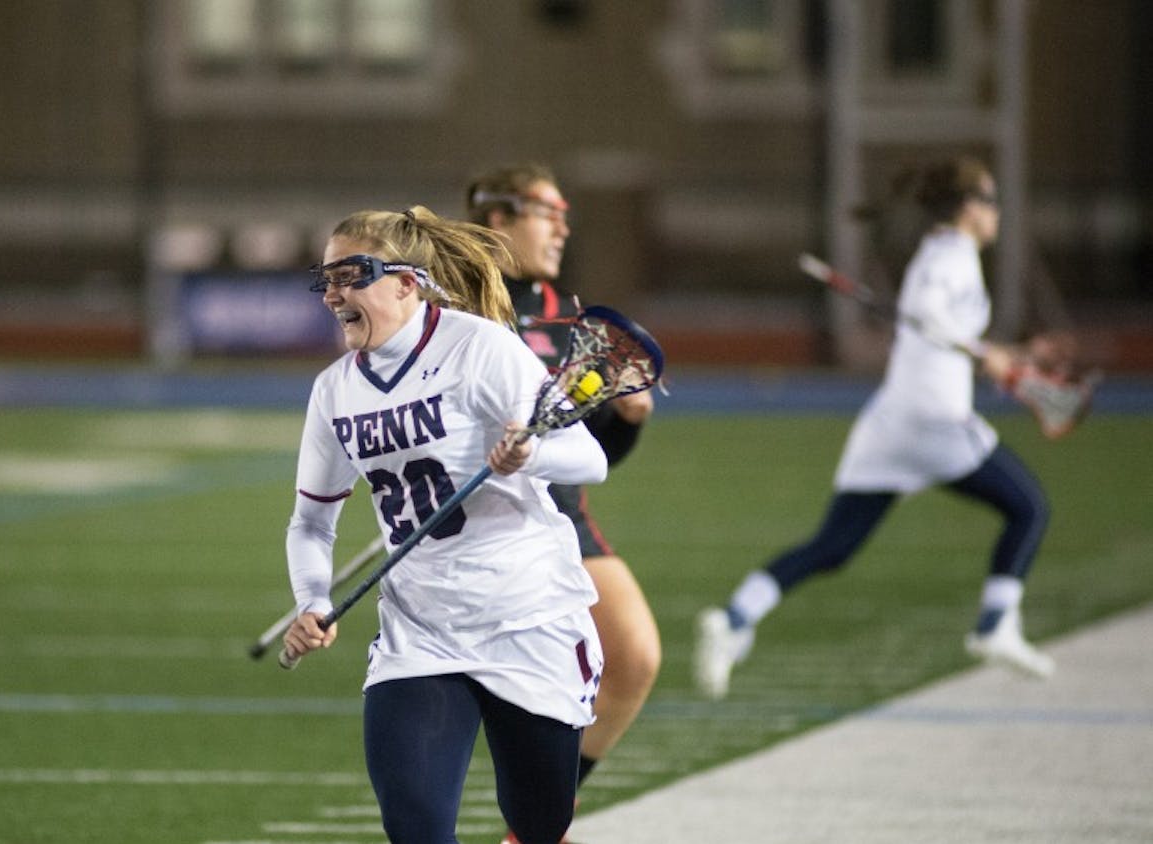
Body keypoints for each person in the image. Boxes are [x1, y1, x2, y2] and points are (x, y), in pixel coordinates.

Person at [282, 206, 608, 844]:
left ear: (407, 281)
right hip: (421, 632)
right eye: (324, 279)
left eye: (351, 275)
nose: (333, 294)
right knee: (416, 830)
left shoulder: (481, 348)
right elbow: (312, 524)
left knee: (541, 825)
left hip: (526, 616)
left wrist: (529, 452)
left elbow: (589, 457)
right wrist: (312, 600)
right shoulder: (334, 390)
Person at [693, 155, 1055, 700]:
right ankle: (995, 626)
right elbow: (930, 311)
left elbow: (940, 324)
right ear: (967, 208)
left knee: (834, 546)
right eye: (991, 200)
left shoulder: (943, 253)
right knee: (1029, 508)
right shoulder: (951, 256)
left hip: (892, 422)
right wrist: (984, 351)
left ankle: (735, 618)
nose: (998, 211)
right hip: (934, 420)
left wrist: (1005, 355)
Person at [466, 164, 662, 801]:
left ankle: (537, 818)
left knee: (633, 659)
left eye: (565, 216)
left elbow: (590, 453)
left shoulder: (573, 324)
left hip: (559, 517)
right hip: (479, 519)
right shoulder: (457, 310)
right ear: (500, 218)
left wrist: (625, 421)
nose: (563, 228)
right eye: (549, 213)